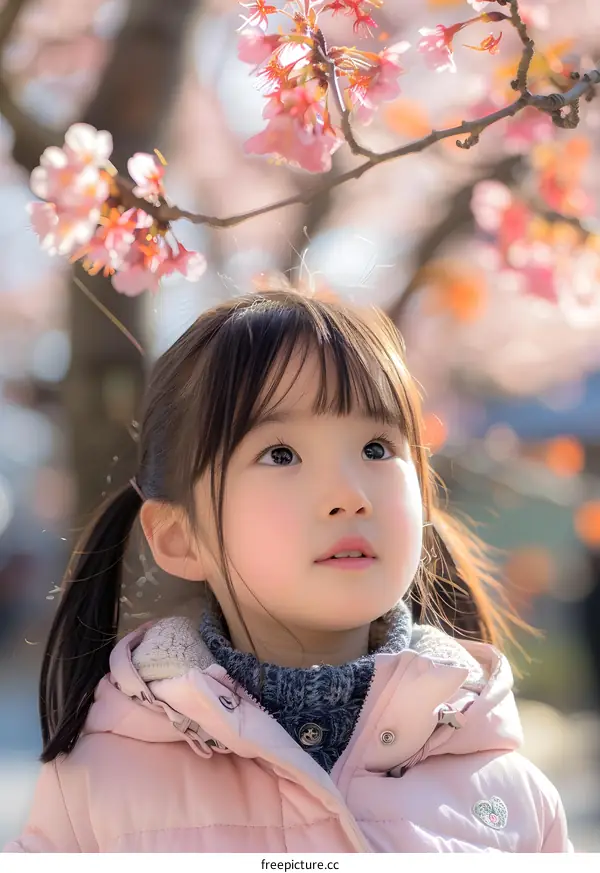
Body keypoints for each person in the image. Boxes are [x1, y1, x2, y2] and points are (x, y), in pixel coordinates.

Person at [5, 290, 571, 853]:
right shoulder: (98, 790)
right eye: (280, 454)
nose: (349, 496)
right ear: (181, 537)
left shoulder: (511, 798)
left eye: (376, 449)